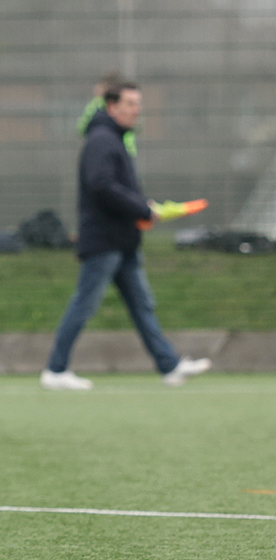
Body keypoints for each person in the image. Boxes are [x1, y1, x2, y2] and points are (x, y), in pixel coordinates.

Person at [41, 83, 211, 391]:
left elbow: (117, 188)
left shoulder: (116, 139)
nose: (136, 109)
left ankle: (169, 366)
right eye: (130, 103)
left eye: (138, 103)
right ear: (111, 106)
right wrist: (143, 209)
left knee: (142, 304)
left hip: (123, 241)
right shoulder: (101, 140)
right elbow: (101, 185)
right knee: (84, 304)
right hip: (104, 241)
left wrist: (142, 211)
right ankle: (55, 370)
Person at [78, 70, 137, 159]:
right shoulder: (99, 104)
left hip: (106, 152)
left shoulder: (96, 104)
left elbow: (81, 127)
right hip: (118, 151)